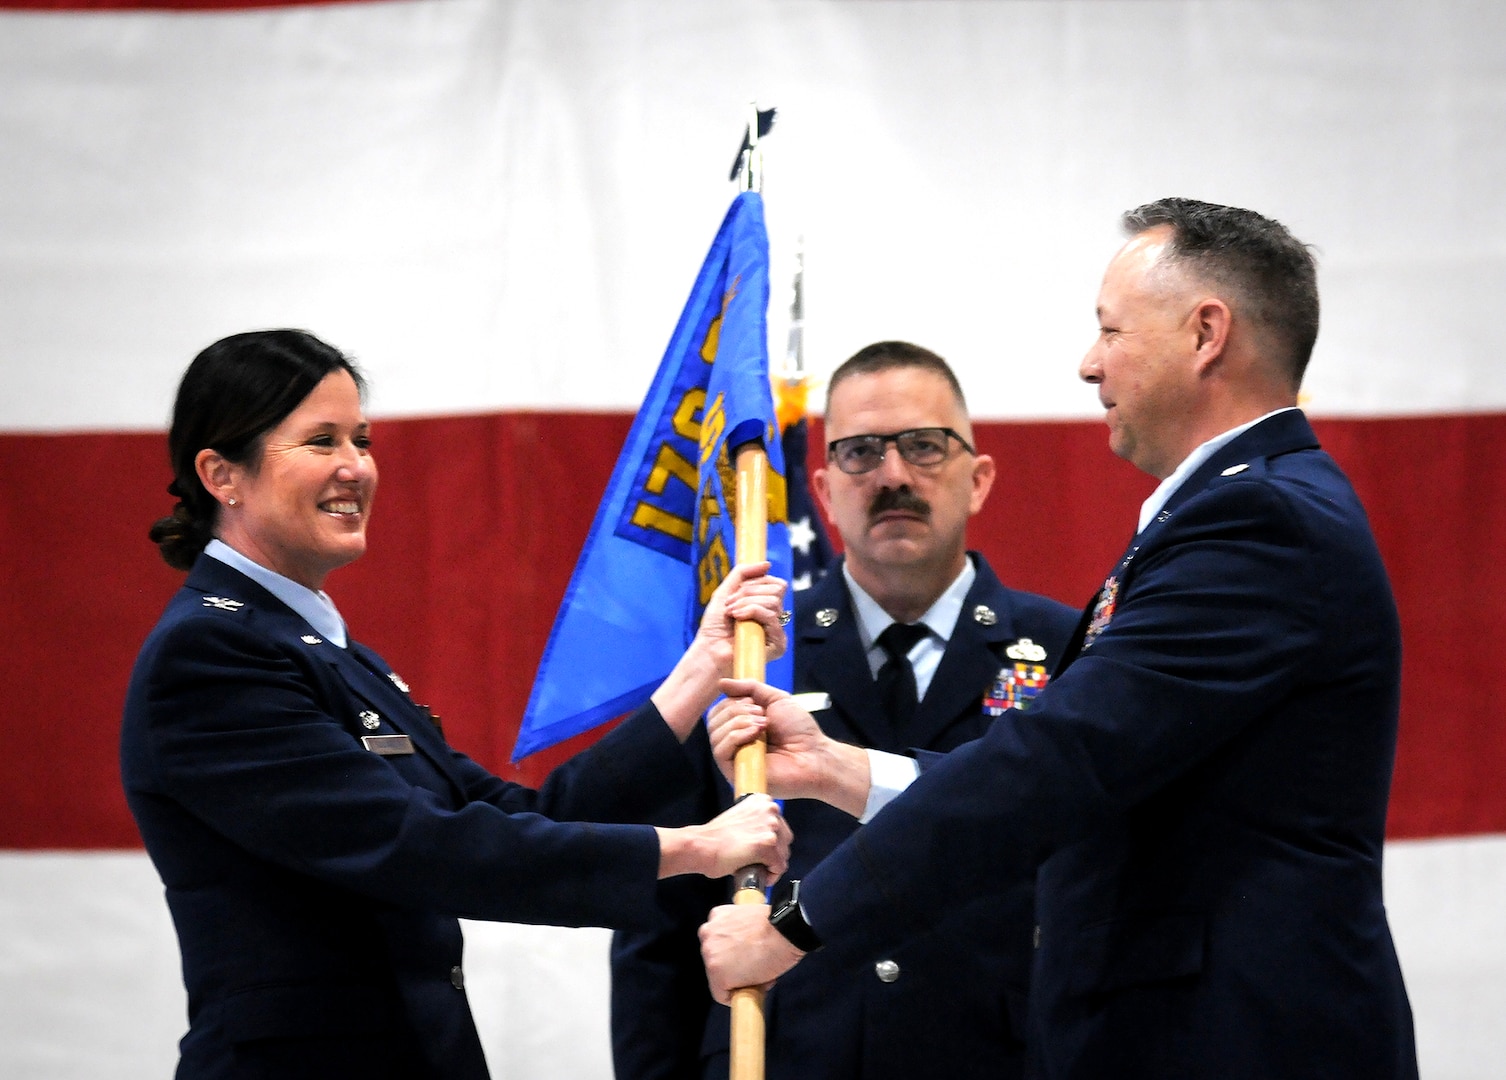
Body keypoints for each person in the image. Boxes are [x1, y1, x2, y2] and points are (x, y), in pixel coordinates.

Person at [701, 199, 1420, 1079]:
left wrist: (793, 926)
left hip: (1230, 1039)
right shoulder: (1239, 508)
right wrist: (842, 771)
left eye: (1110, 331)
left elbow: (1055, 765)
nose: (1089, 365)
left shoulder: (1257, 521)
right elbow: (1094, 773)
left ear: (1205, 334)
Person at [119, 328, 793, 1080]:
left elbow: (521, 816)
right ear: (221, 473)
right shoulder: (210, 655)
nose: (356, 467)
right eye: (320, 441)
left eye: (361, 439)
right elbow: (418, 847)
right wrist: (695, 848)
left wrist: (698, 671)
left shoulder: (326, 651)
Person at [611, 342, 1078, 1079]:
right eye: (861, 453)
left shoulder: (1067, 651)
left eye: (925, 447)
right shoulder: (746, 653)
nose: (893, 476)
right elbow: (658, 927)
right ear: (823, 491)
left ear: (979, 478)